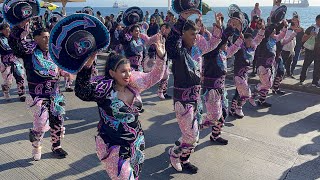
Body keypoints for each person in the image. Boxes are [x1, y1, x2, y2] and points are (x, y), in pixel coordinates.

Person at [75, 39, 167, 179]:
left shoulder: (134, 85)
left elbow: (154, 77)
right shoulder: (104, 90)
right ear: (112, 73)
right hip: (114, 147)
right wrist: (88, 64)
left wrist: (161, 57)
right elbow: (82, 90)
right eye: (123, 71)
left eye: (129, 70)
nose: (128, 74)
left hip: (136, 143)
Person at [166, 9, 223, 173]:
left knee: (192, 135)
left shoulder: (197, 50)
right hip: (183, 101)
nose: (195, 37)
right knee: (191, 136)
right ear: (183, 34)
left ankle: (185, 160)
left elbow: (213, 43)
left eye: (196, 34)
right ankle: (174, 154)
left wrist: (217, 27)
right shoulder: (177, 52)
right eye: (192, 34)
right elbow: (171, 42)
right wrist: (182, 19)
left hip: (195, 99)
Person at [9, 25, 69, 160]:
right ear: (36, 38)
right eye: (44, 37)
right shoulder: (29, 53)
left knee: (58, 120)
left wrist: (66, 73)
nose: (47, 40)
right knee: (41, 123)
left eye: (48, 37)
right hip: (38, 96)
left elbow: (59, 69)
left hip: (55, 94)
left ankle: (56, 146)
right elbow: (15, 45)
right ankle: (36, 146)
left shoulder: (54, 53)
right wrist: (20, 26)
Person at [200, 12, 244, 144]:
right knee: (213, 117)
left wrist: (240, 38)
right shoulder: (210, 52)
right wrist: (229, 27)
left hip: (221, 89)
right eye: (224, 42)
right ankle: (193, 132)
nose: (226, 44)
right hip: (211, 89)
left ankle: (215, 135)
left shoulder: (223, 52)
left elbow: (234, 48)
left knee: (223, 113)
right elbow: (221, 39)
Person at [230, 30, 265, 118]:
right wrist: (237, 32)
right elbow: (234, 45)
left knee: (238, 93)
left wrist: (262, 29)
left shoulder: (252, 48)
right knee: (246, 94)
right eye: (248, 40)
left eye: (251, 40)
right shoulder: (240, 48)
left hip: (245, 75)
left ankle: (232, 110)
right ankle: (238, 108)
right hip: (238, 75)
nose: (250, 42)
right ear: (244, 40)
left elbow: (258, 39)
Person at [0, 23, 26, 101]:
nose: (7, 30)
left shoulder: (14, 37)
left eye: (8, 28)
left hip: (15, 59)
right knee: (8, 80)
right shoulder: (0, 39)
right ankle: (6, 90)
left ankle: (21, 94)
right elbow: (5, 48)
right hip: (5, 61)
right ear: (1, 31)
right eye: (5, 29)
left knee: (20, 75)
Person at [299, 15, 320, 88]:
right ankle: (302, 79)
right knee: (306, 65)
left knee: (317, 67)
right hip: (310, 50)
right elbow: (303, 39)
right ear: (317, 20)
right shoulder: (311, 28)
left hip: (318, 52)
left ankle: (315, 82)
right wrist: (310, 35)